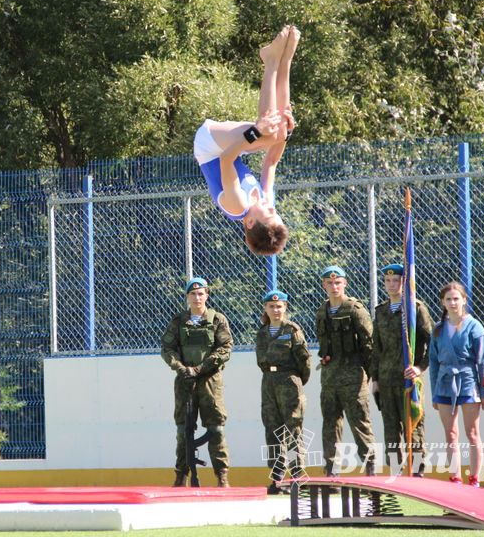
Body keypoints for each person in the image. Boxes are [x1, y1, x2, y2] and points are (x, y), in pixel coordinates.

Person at [193, 26, 299, 256]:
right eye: (276, 212)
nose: (271, 207)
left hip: (209, 145)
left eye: (269, 213)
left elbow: (226, 159)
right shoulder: (264, 201)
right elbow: (271, 162)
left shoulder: (237, 206)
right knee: (279, 131)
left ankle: (271, 61)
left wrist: (256, 131)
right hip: (231, 148)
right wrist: (288, 131)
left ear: (250, 222)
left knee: (267, 133)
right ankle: (286, 60)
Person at [161, 277, 233, 487]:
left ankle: (222, 477)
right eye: (193, 294)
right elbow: (167, 349)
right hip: (185, 381)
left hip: (210, 381)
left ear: (207, 295)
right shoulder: (178, 321)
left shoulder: (217, 319)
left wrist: (201, 369)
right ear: (187, 297)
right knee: (184, 430)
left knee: (216, 429)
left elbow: (226, 348)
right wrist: (181, 368)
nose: (197, 297)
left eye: (201, 293)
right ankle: (181, 476)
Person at [369, 263, 433, 476]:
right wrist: (375, 379)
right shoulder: (381, 311)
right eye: (387, 281)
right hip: (386, 379)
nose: (391, 284)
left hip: (408, 379)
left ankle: (417, 471)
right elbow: (376, 348)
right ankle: (395, 470)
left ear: (404, 282)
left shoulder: (415, 309)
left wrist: (419, 368)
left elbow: (432, 342)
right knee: (390, 428)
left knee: (413, 426)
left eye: (396, 280)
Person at [428, 282, 484, 487]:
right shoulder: (438, 329)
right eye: (448, 299)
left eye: (456, 298)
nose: (452, 303)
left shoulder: (475, 327)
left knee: (472, 433)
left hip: (468, 383)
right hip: (444, 385)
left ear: (464, 300)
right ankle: (455, 477)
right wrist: (434, 393)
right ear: (442, 302)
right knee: (450, 434)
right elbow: (433, 362)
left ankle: (475, 478)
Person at [315, 265, 376, 477]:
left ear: (345, 284)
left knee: (360, 425)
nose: (334, 287)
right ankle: (331, 471)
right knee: (330, 425)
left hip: (353, 377)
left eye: (338, 283)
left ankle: (371, 469)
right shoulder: (322, 311)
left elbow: (369, 345)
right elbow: (324, 343)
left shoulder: (355, 310)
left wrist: (369, 375)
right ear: (324, 285)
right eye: (330, 283)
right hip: (329, 378)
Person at [256, 289, 310, 494]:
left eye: (279, 306)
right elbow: (260, 360)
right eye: (271, 306)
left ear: (285, 307)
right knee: (272, 428)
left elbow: (304, 360)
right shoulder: (262, 332)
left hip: (289, 381)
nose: (275, 310)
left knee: (293, 429)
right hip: (269, 382)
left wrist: (297, 381)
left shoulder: (292, 330)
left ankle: (297, 476)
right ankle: (277, 477)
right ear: (265, 308)